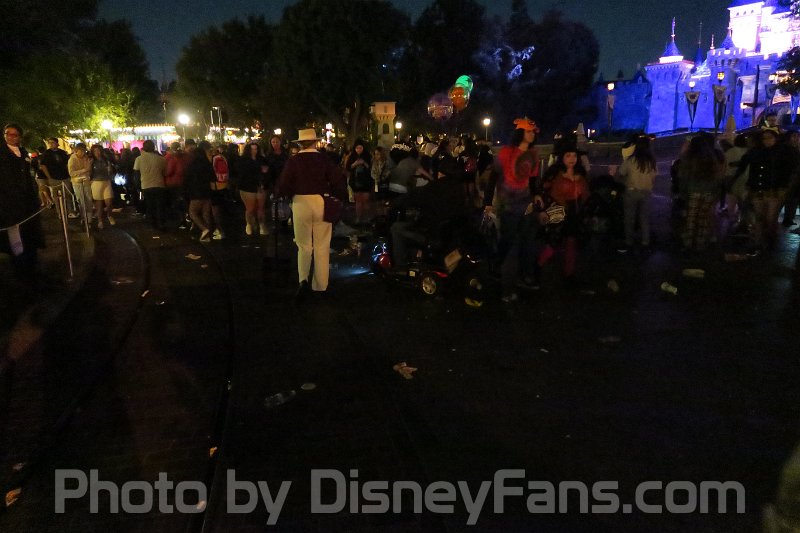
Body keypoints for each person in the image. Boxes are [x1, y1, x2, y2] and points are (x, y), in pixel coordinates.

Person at [276, 128, 346, 299]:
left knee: (303, 245)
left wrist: (285, 195)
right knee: (322, 245)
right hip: (321, 200)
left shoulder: (294, 160)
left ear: (300, 144)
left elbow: (284, 183)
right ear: (315, 142)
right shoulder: (324, 159)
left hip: (300, 202)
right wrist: (339, 197)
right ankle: (320, 285)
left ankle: (303, 280)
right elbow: (337, 180)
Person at [484, 118, 541, 302]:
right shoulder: (506, 152)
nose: (531, 135)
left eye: (533, 132)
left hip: (526, 205)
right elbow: (493, 176)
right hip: (507, 205)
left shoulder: (533, 154)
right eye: (528, 131)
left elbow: (533, 179)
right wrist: (488, 202)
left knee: (527, 242)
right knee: (509, 244)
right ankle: (502, 278)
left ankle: (523, 275)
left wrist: (536, 195)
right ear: (520, 133)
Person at [536, 143, 590, 287]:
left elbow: (586, 194)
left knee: (571, 243)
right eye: (568, 156)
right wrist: (542, 210)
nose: (572, 159)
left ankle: (568, 273)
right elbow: (543, 192)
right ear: (562, 158)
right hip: (559, 211)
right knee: (553, 243)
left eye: (574, 156)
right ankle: (537, 266)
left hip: (575, 213)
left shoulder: (580, 174)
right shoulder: (554, 174)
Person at [736, 128, 797, 249]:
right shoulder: (756, 152)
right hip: (758, 188)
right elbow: (746, 165)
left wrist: (785, 186)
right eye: (764, 138)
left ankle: (770, 240)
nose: (767, 141)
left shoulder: (784, 152)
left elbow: (790, 169)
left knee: (770, 217)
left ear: (776, 139)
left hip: (774, 190)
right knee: (759, 216)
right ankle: (759, 241)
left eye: (770, 138)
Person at [0, 123, 44, 282]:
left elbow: (29, 175)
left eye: (15, 134)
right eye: (8, 134)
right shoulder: (2, 154)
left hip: (28, 203)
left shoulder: (24, 153)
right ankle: (20, 270)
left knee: (29, 235)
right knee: (15, 238)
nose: (11, 137)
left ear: (20, 137)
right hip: (10, 203)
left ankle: (32, 266)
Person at [679, 133, 725, 252]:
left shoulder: (690, 158)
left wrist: (682, 193)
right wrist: (717, 192)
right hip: (709, 191)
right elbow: (718, 177)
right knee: (703, 219)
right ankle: (700, 244)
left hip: (694, 190)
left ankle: (688, 243)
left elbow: (684, 177)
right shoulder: (712, 158)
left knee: (691, 218)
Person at [617, 135, 657, 251]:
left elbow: (621, 173)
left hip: (631, 191)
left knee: (629, 218)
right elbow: (654, 177)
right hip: (646, 192)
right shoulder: (651, 162)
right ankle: (645, 241)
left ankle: (629, 241)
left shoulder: (630, 160)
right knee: (644, 218)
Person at [183, 141, 215, 241]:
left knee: (192, 212)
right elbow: (213, 178)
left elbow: (187, 179)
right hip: (207, 191)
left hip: (196, 192)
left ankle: (204, 229)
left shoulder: (192, 165)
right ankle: (207, 235)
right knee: (206, 213)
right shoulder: (207, 164)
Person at [133, 139, 167, 231]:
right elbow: (165, 173)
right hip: (159, 185)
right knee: (159, 205)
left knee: (149, 205)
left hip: (145, 185)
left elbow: (136, 175)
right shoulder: (161, 159)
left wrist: (138, 188)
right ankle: (160, 223)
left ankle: (152, 224)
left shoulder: (139, 159)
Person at [237, 141, 269, 236]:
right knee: (250, 208)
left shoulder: (262, 159)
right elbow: (242, 173)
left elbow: (266, 170)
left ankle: (261, 224)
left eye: (256, 149)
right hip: (247, 186)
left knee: (261, 207)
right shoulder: (243, 160)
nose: (254, 151)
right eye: (252, 149)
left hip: (260, 185)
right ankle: (249, 224)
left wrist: (264, 174)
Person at [38, 137, 77, 216]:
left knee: (68, 194)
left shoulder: (62, 152)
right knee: (56, 197)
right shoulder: (46, 153)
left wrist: (69, 175)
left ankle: (70, 211)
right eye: (50, 143)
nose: (51, 144)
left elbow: (67, 164)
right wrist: (49, 177)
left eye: (53, 142)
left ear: (57, 143)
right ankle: (60, 213)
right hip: (54, 177)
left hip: (65, 176)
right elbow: (43, 165)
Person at [344, 139, 372, 224]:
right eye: (357, 148)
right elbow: (348, 167)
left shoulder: (367, 156)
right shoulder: (352, 156)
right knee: (358, 200)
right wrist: (355, 163)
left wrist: (364, 163)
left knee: (366, 200)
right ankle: (359, 218)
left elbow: (371, 167)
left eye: (360, 148)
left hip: (366, 181)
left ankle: (367, 217)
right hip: (355, 182)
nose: (359, 150)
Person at [89, 144, 116, 229]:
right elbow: (89, 173)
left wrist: (110, 169)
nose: (98, 152)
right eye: (95, 151)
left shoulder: (106, 160)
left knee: (109, 202)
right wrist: (89, 166)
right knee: (99, 204)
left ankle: (109, 215)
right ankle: (100, 220)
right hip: (96, 182)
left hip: (106, 181)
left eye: (99, 150)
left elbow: (111, 171)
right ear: (93, 152)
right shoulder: (91, 161)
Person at [68, 142, 93, 224]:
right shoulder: (72, 159)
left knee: (89, 199)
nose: (83, 153)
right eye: (81, 151)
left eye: (84, 151)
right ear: (76, 150)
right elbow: (71, 173)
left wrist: (87, 171)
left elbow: (89, 169)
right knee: (81, 200)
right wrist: (84, 170)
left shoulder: (86, 158)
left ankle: (89, 217)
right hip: (77, 183)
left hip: (86, 181)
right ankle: (83, 217)